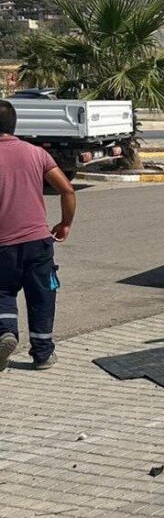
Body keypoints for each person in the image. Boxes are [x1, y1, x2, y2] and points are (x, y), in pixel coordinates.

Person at [0, 100, 76, 372]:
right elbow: (67, 190)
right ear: (14, 124)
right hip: (37, 241)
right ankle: (43, 353)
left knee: (3, 292)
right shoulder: (36, 153)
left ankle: (5, 333)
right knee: (42, 295)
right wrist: (65, 223)